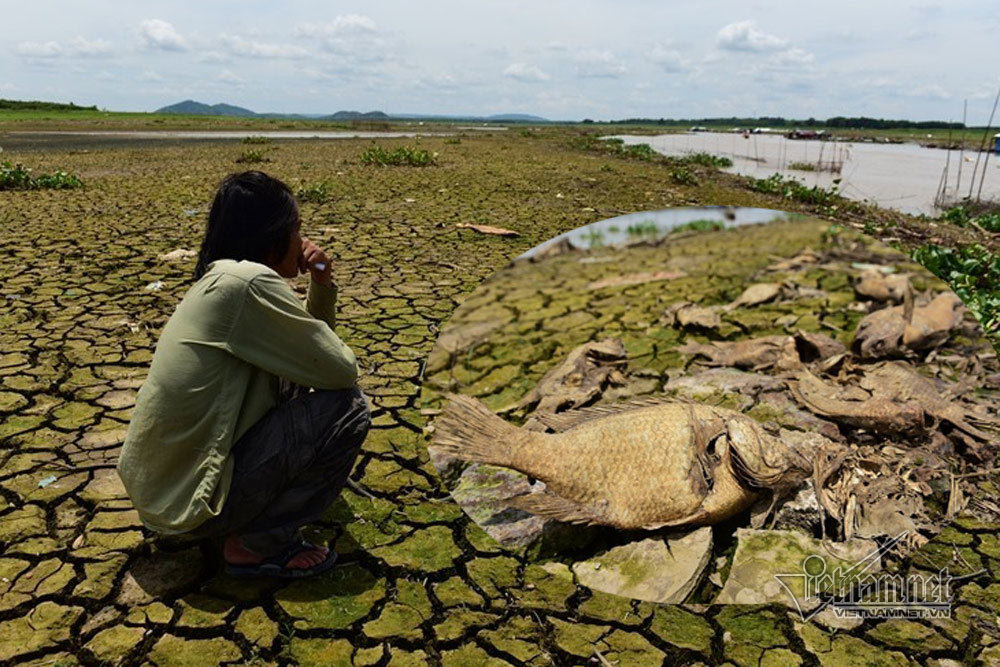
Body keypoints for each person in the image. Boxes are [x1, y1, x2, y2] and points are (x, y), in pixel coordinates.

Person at [117, 170, 370, 578]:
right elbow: (340, 372)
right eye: (297, 228)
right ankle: (255, 544)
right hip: (190, 507)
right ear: (273, 234)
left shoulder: (221, 279)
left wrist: (322, 284)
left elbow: (312, 362)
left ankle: (241, 522)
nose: (303, 240)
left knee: (297, 387)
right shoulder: (247, 283)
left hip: (162, 495)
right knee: (348, 409)